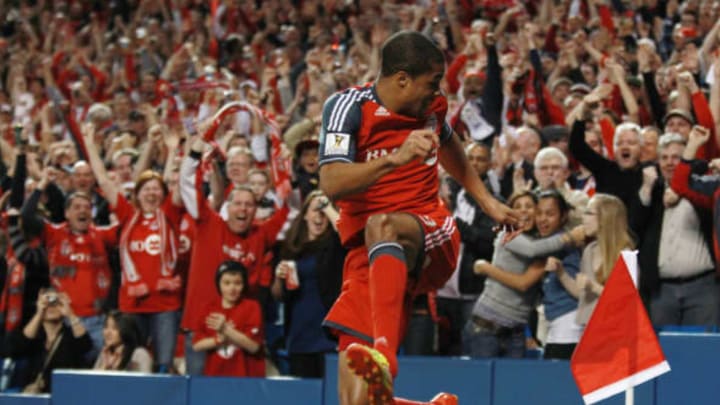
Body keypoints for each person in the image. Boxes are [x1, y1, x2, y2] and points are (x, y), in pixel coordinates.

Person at [318, 31, 517, 405]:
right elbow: (331, 182)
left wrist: (488, 203)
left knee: (384, 224)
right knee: (355, 400)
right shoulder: (348, 108)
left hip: (429, 231)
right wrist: (396, 158)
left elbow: (449, 144)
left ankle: (385, 352)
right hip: (369, 259)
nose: (438, 91)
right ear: (402, 79)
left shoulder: (430, 108)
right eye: (432, 82)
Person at [179, 135, 288, 375]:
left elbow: (293, 207)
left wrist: (284, 165)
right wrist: (197, 147)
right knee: (197, 396)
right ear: (228, 207)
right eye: (237, 203)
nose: (243, 209)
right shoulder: (208, 223)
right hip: (201, 330)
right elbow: (186, 183)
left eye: (249, 205)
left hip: (242, 337)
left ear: (256, 209)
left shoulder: (261, 234)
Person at [84, 125, 184, 373]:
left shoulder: (170, 213)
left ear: (163, 193)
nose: (151, 192)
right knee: (128, 363)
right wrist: (88, 142)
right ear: (137, 195)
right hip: (132, 304)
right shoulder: (127, 216)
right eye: (146, 189)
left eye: (156, 188)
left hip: (165, 305)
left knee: (163, 366)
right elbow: (104, 180)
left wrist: (173, 151)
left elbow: (178, 179)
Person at [468, 191, 584, 358]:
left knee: (513, 383)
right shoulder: (509, 234)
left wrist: (487, 268)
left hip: (517, 330)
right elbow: (532, 252)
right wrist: (569, 237)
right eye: (517, 207)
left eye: (530, 207)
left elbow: (526, 282)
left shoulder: (544, 244)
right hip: (486, 326)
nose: (523, 211)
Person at [271, 190, 344, 378]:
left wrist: (327, 206)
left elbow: (345, 231)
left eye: (323, 212)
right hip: (300, 334)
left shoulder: (334, 246)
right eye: (314, 210)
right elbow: (279, 295)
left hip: (328, 336)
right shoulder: (291, 248)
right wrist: (279, 277)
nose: (319, 216)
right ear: (304, 215)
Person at [551, 194, 635, 327]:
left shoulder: (626, 255)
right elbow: (582, 294)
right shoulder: (589, 250)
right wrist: (561, 272)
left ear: (605, 218)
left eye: (589, 213)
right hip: (588, 329)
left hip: (614, 330)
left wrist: (593, 287)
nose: (583, 218)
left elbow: (625, 300)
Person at [5, 289, 93, 393]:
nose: (51, 307)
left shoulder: (70, 335)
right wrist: (39, 313)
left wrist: (70, 313)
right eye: (47, 303)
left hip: (63, 393)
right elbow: (16, 347)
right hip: (33, 395)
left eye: (55, 303)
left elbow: (85, 345)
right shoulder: (35, 336)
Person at [192, 261, 264, 377]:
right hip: (215, 377)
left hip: (247, 378)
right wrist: (218, 340)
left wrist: (225, 329)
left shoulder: (252, 307)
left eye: (237, 283)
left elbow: (254, 347)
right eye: (226, 283)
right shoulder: (208, 308)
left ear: (244, 285)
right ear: (218, 284)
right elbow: (197, 345)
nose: (232, 288)